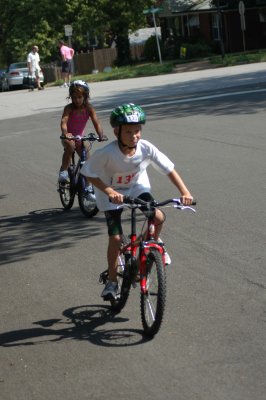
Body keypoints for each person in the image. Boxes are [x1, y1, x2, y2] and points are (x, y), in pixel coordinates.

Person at [81, 103, 194, 299]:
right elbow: (87, 172)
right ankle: (112, 282)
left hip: (137, 188)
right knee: (116, 238)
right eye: (129, 132)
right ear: (117, 132)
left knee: (158, 216)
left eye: (137, 130)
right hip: (111, 195)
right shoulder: (107, 153)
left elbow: (169, 169)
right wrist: (108, 190)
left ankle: (153, 241)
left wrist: (185, 192)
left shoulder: (146, 148)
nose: (134, 135)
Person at [58, 80, 104, 196]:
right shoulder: (69, 108)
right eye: (74, 97)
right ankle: (64, 171)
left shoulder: (89, 108)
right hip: (68, 137)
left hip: (79, 137)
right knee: (70, 145)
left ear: (85, 96)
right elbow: (64, 122)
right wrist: (66, 133)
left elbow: (96, 122)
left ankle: (88, 188)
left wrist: (100, 135)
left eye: (79, 97)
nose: (77, 100)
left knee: (88, 161)